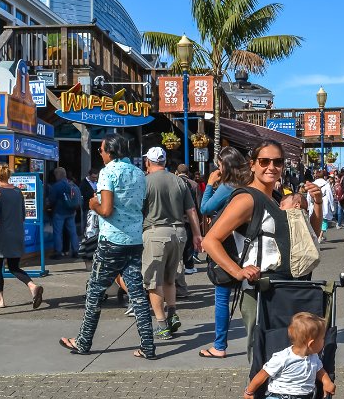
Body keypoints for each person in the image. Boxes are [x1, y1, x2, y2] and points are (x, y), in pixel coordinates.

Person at [202, 140, 323, 359]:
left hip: (289, 287)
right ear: (253, 165)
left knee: (293, 359)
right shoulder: (247, 198)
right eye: (264, 161)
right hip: (262, 292)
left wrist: (317, 204)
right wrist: (237, 271)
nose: (271, 167)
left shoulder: (277, 198)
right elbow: (210, 241)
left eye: (277, 162)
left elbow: (309, 236)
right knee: (266, 360)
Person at [59, 134, 156, 359]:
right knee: (137, 293)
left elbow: (107, 210)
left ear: (110, 152)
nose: (100, 154)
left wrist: (93, 203)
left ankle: (83, 341)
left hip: (111, 240)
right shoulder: (139, 173)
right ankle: (148, 345)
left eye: (101, 150)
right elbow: (142, 207)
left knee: (94, 291)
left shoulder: (108, 172)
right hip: (134, 239)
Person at [141, 147, 202, 340]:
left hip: (155, 232)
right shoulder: (179, 181)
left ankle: (162, 325)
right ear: (165, 162)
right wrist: (197, 235)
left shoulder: (145, 182)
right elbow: (191, 210)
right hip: (179, 233)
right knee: (170, 278)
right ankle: (172, 313)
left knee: (152, 282)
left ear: (147, 162)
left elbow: (138, 211)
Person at [198, 147, 253, 359]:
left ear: (225, 165)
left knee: (222, 297)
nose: (217, 167)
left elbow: (205, 208)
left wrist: (211, 183)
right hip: (248, 245)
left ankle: (219, 345)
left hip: (228, 245)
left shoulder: (228, 186)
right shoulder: (248, 184)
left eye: (219, 163)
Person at [0, 163, 43, 309]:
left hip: (1, 235)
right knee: (13, 267)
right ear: (8, 176)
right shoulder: (18, 192)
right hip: (17, 234)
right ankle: (32, 286)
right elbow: (23, 216)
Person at [47, 166, 80, 259]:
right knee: (73, 232)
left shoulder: (56, 186)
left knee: (58, 232)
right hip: (71, 212)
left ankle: (58, 252)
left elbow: (51, 200)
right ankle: (75, 251)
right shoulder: (72, 184)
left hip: (59, 212)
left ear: (57, 175)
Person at [311, 170, 335, 243]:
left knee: (315, 219)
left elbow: (309, 197)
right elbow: (330, 196)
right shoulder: (326, 184)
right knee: (324, 220)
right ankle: (320, 236)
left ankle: (316, 236)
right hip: (324, 202)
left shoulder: (312, 184)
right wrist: (332, 206)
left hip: (314, 203)